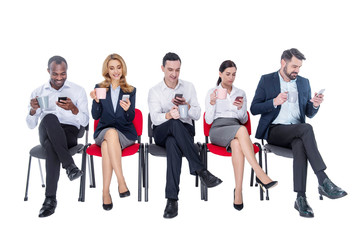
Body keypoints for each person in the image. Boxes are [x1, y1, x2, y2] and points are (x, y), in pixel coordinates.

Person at [250, 48, 347, 218]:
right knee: (306, 129)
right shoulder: (267, 80)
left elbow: (308, 113)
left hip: (296, 132)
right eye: (294, 66)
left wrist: (315, 104)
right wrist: (274, 101)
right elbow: (254, 108)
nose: (297, 70)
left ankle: (300, 198)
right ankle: (323, 180)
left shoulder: (303, 82)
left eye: (299, 67)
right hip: (275, 131)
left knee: (300, 144)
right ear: (283, 63)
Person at [148, 52, 222, 218]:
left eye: (177, 70)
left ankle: (171, 200)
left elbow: (196, 115)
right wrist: (169, 115)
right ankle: (201, 170)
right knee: (174, 124)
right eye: (170, 70)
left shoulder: (188, 87)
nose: (174, 74)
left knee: (173, 143)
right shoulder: (154, 91)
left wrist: (187, 106)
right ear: (162, 69)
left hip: (184, 132)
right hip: (161, 131)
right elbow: (154, 118)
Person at [205, 60, 277, 211]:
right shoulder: (212, 92)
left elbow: (243, 119)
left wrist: (239, 109)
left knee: (237, 143)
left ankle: (238, 191)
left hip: (236, 128)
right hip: (218, 129)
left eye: (234, 74)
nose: (231, 77)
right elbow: (208, 120)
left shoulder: (240, 93)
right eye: (227, 74)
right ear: (220, 74)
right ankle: (260, 173)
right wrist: (212, 103)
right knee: (242, 131)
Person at [26, 56, 89, 218]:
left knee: (51, 146)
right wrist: (33, 111)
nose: (59, 78)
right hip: (46, 129)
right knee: (49, 117)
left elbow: (86, 121)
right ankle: (70, 166)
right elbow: (31, 125)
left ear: (66, 72)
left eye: (63, 74)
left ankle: (50, 199)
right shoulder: (38, 92)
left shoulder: (77, 90)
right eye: (55, 74)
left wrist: (74, 109)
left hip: (69, 134)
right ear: (49, 72)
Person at [90, 54, 136, 211]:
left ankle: (105, 193)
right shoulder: (100, 87)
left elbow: (130, 118)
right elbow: (96, 116)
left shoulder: (130, 90)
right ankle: (121, 182)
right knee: (110, 133)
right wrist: (96, 101)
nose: (116, 71)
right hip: (103, 131)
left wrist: (128, 109)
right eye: (112, 68)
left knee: (106, 146)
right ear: (107, 70)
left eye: (118, 67)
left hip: (124, 133)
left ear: (122, 68)